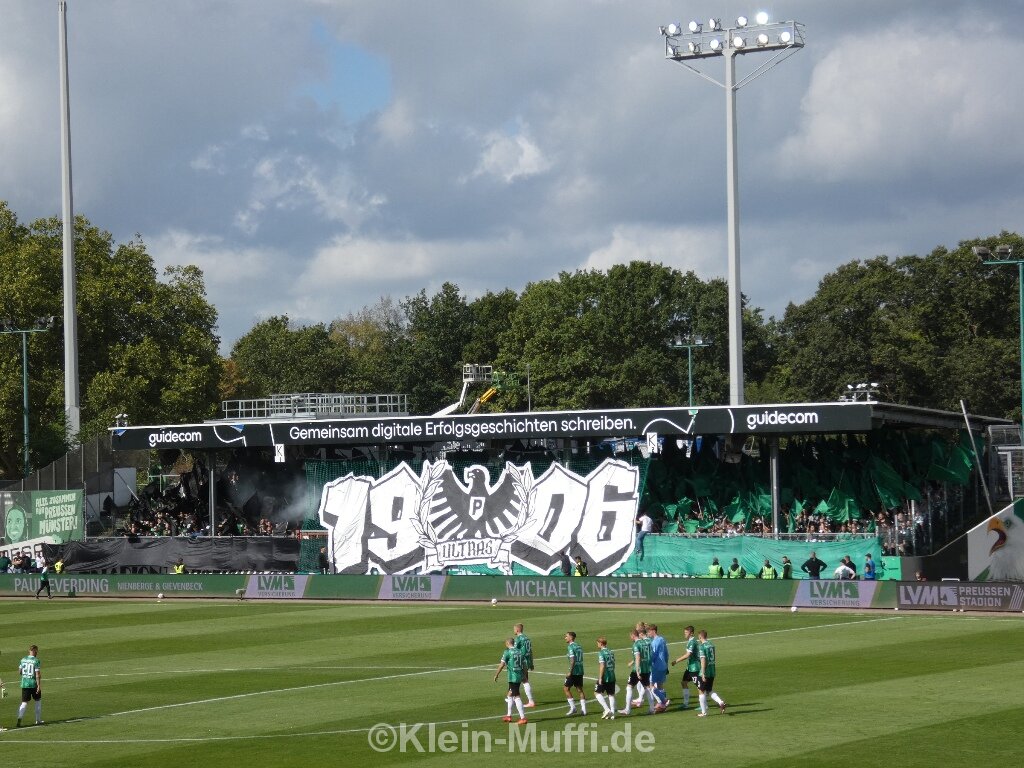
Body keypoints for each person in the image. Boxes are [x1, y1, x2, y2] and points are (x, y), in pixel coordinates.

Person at [493, 637, 527, 725]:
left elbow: (502, 665)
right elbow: (524, 665)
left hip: (513, 677)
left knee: (516, 696)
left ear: (507, 643)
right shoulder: (520, 651)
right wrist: (525, 676)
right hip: (519, 676)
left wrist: (496, 674)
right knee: (510, 694)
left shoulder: (507, 652)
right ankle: (508, 716)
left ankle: (523, 718)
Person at [619, 627, 650, 716]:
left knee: (629, 687)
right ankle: (652, 708)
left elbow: (638, 657)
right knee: (647, 688)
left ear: (633, 635)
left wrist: (637, 671)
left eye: (630, 636)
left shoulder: (636, 645)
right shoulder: (644, 642)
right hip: (646, 668)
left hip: (638, 669)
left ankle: (627, 709)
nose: (630, 638)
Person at [695, 630, 726, 717]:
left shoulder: (702, 646)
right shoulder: (711, 645)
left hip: (706, 671)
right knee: (709, 690)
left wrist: (703, 673)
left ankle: (704, 712)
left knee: (701, 691)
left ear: (700, 637)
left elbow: (703, 660)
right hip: (712, 670)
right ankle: (721, 702)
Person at [671, 625, 701, 710]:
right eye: (684, 632)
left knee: (699, 686)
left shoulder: (692, 642)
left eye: (686, 632)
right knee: (684, 682)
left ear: (691, 633)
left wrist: (676, 661)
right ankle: (686, 704)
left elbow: (688, 655)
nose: (685, 634)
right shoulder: (691, 641)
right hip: (690, 667)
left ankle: (704, 704)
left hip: (695, 667)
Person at [16, 645, 42, 727]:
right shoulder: (36, 661)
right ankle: (38, 720)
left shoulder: (23, 660)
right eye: (36, 651)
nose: (37, 653)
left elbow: (20, 671)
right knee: (38, 700)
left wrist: (25, 675)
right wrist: (38, 685)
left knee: (24, 702)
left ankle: (19, 718)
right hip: (33, 683)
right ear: (34, 651)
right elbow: (37, 674)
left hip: (24, 684)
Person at [563, 631, 587, 715]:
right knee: (580, 690)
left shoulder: (570, 647)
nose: (565, 638)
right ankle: (584, 710)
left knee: (566, 689)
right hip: (580, 670)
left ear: (571, 637)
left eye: (566, 636)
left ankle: (573, 708)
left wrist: (570, 672)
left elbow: (573, 660)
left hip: (574, 671)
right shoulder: (579, 646)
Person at [648, 624, 670, 712]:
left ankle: (663, 701)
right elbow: (666, 653)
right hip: (663, 665)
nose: (648, 633)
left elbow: (653, 656)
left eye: (649, 632)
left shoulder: (654, 642)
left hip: (656, 666)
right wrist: (666, 664)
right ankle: (662, 705)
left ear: (653, 631)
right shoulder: (662, 639)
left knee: (650, 685)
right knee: (660, 685)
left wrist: (647, 664)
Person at [513, 623, 536, 707]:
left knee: (524, 681)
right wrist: (531, 663)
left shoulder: (518, 639)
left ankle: (531, 701)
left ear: (517, 630)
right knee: (523, 680)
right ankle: (512, 696)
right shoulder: (527, 638)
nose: (514, 631)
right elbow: (531, 651)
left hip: (522, 661)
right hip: (527, 660)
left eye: (514, 629)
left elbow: (514, 651)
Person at [595, 636, 617, 719]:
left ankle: (607, 709)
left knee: (597, 693)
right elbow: (613, 663)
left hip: (605, 676)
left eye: (597, 643)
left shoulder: (601, 653)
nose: (597, 644)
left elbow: (602, 666)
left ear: (601, 643)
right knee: (611, 694)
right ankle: (613, 714)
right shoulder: (611, 652)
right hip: (612, 675)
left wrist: (600, 677)